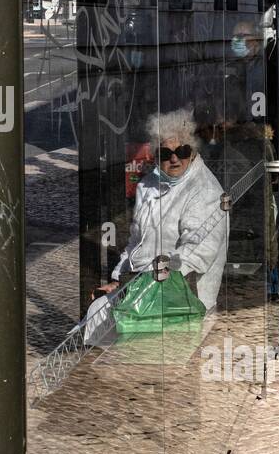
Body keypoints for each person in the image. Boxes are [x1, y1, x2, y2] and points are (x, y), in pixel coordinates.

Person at [98, 109, 230, 312]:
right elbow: (136, 243)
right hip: (140, 288)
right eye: (166, 154)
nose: (175, 159)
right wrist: (118, 278)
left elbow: (195, 255)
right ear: (156, 156)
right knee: (95, 312)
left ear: (193, 152)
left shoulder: (205, 192)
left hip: (181, 300)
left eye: (183, 151)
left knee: (97, 322)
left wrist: (135, 286)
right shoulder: (149, 184)